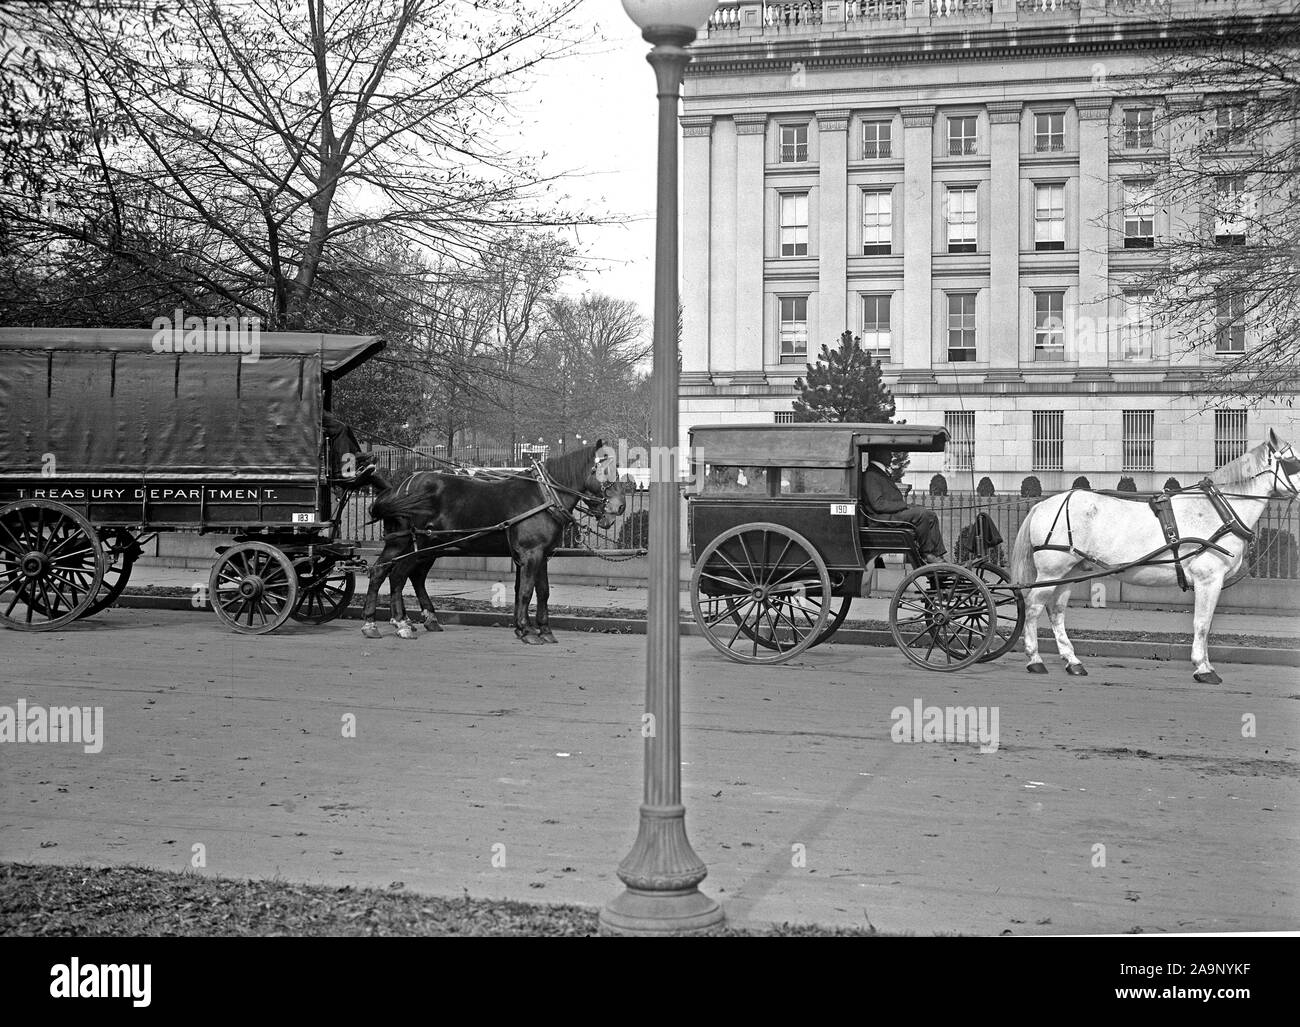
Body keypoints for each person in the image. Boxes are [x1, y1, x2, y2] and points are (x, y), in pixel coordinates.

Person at [861, 447, 947, 564]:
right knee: (921, 514)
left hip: (891, 515)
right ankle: (927, 553)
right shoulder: (871, 474)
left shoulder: (879, 473)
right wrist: (903, 506)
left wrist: (906, 506)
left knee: (930, 515)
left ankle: (937, 554)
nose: (891, 456)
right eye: (888, 452)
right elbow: (878, 504)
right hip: (881, 519)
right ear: (878, 454)